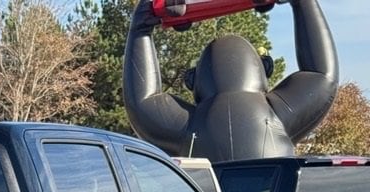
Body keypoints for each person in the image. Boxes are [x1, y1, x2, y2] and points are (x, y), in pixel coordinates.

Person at [123, 0, 338, 161]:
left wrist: (141, 27)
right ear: (265, 68)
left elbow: (142, 101)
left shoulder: (189, 126)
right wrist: (304, 4)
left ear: (192, 80)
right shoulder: (279, 112)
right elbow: (321, 75)